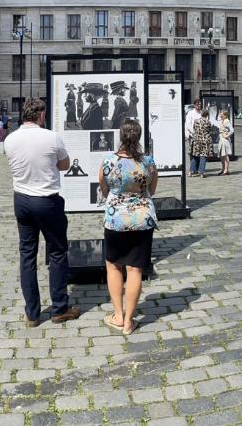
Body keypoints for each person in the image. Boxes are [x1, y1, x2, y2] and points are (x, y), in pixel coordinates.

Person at [3, 99, 80, 327]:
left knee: (27, 255)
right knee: (57, 252)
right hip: (46, 200)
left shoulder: (10, 139)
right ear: (41, 115)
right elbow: (65, 165)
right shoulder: (51, 137)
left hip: (22, 200)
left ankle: (32, 314)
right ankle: (59, 308)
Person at [98, 119, 157, 336]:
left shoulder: (108, 161)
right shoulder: (148, 162)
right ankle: (129, 321)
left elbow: (104, 189)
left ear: (120, 136)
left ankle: (118, 314)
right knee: (135, 269)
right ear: (139, 137)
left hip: (115, 219)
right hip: (142, 218)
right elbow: (152, 189)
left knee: (113, 265)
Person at [189, 109, 213, 177]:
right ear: (207, 115)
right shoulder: (208, 122)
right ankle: (201, 173)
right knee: (203, 156)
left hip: (196, 140)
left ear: (201, 114)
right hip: (205, 141)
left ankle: (191, 171)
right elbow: (209, 131)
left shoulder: (196, 121)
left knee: (195, 156)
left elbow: (194, 129)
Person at [217, 110, 233, 175]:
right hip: (221, 139)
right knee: (222, 155)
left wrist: (227, 135)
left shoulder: (227, 121)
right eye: (220, 114)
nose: (221, 115)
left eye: (222, 114)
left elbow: (231, 130)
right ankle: (223, 169)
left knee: (225, 155)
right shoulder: (222, 121)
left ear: (225, 115)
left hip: (224, 140)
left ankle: (226, 170)